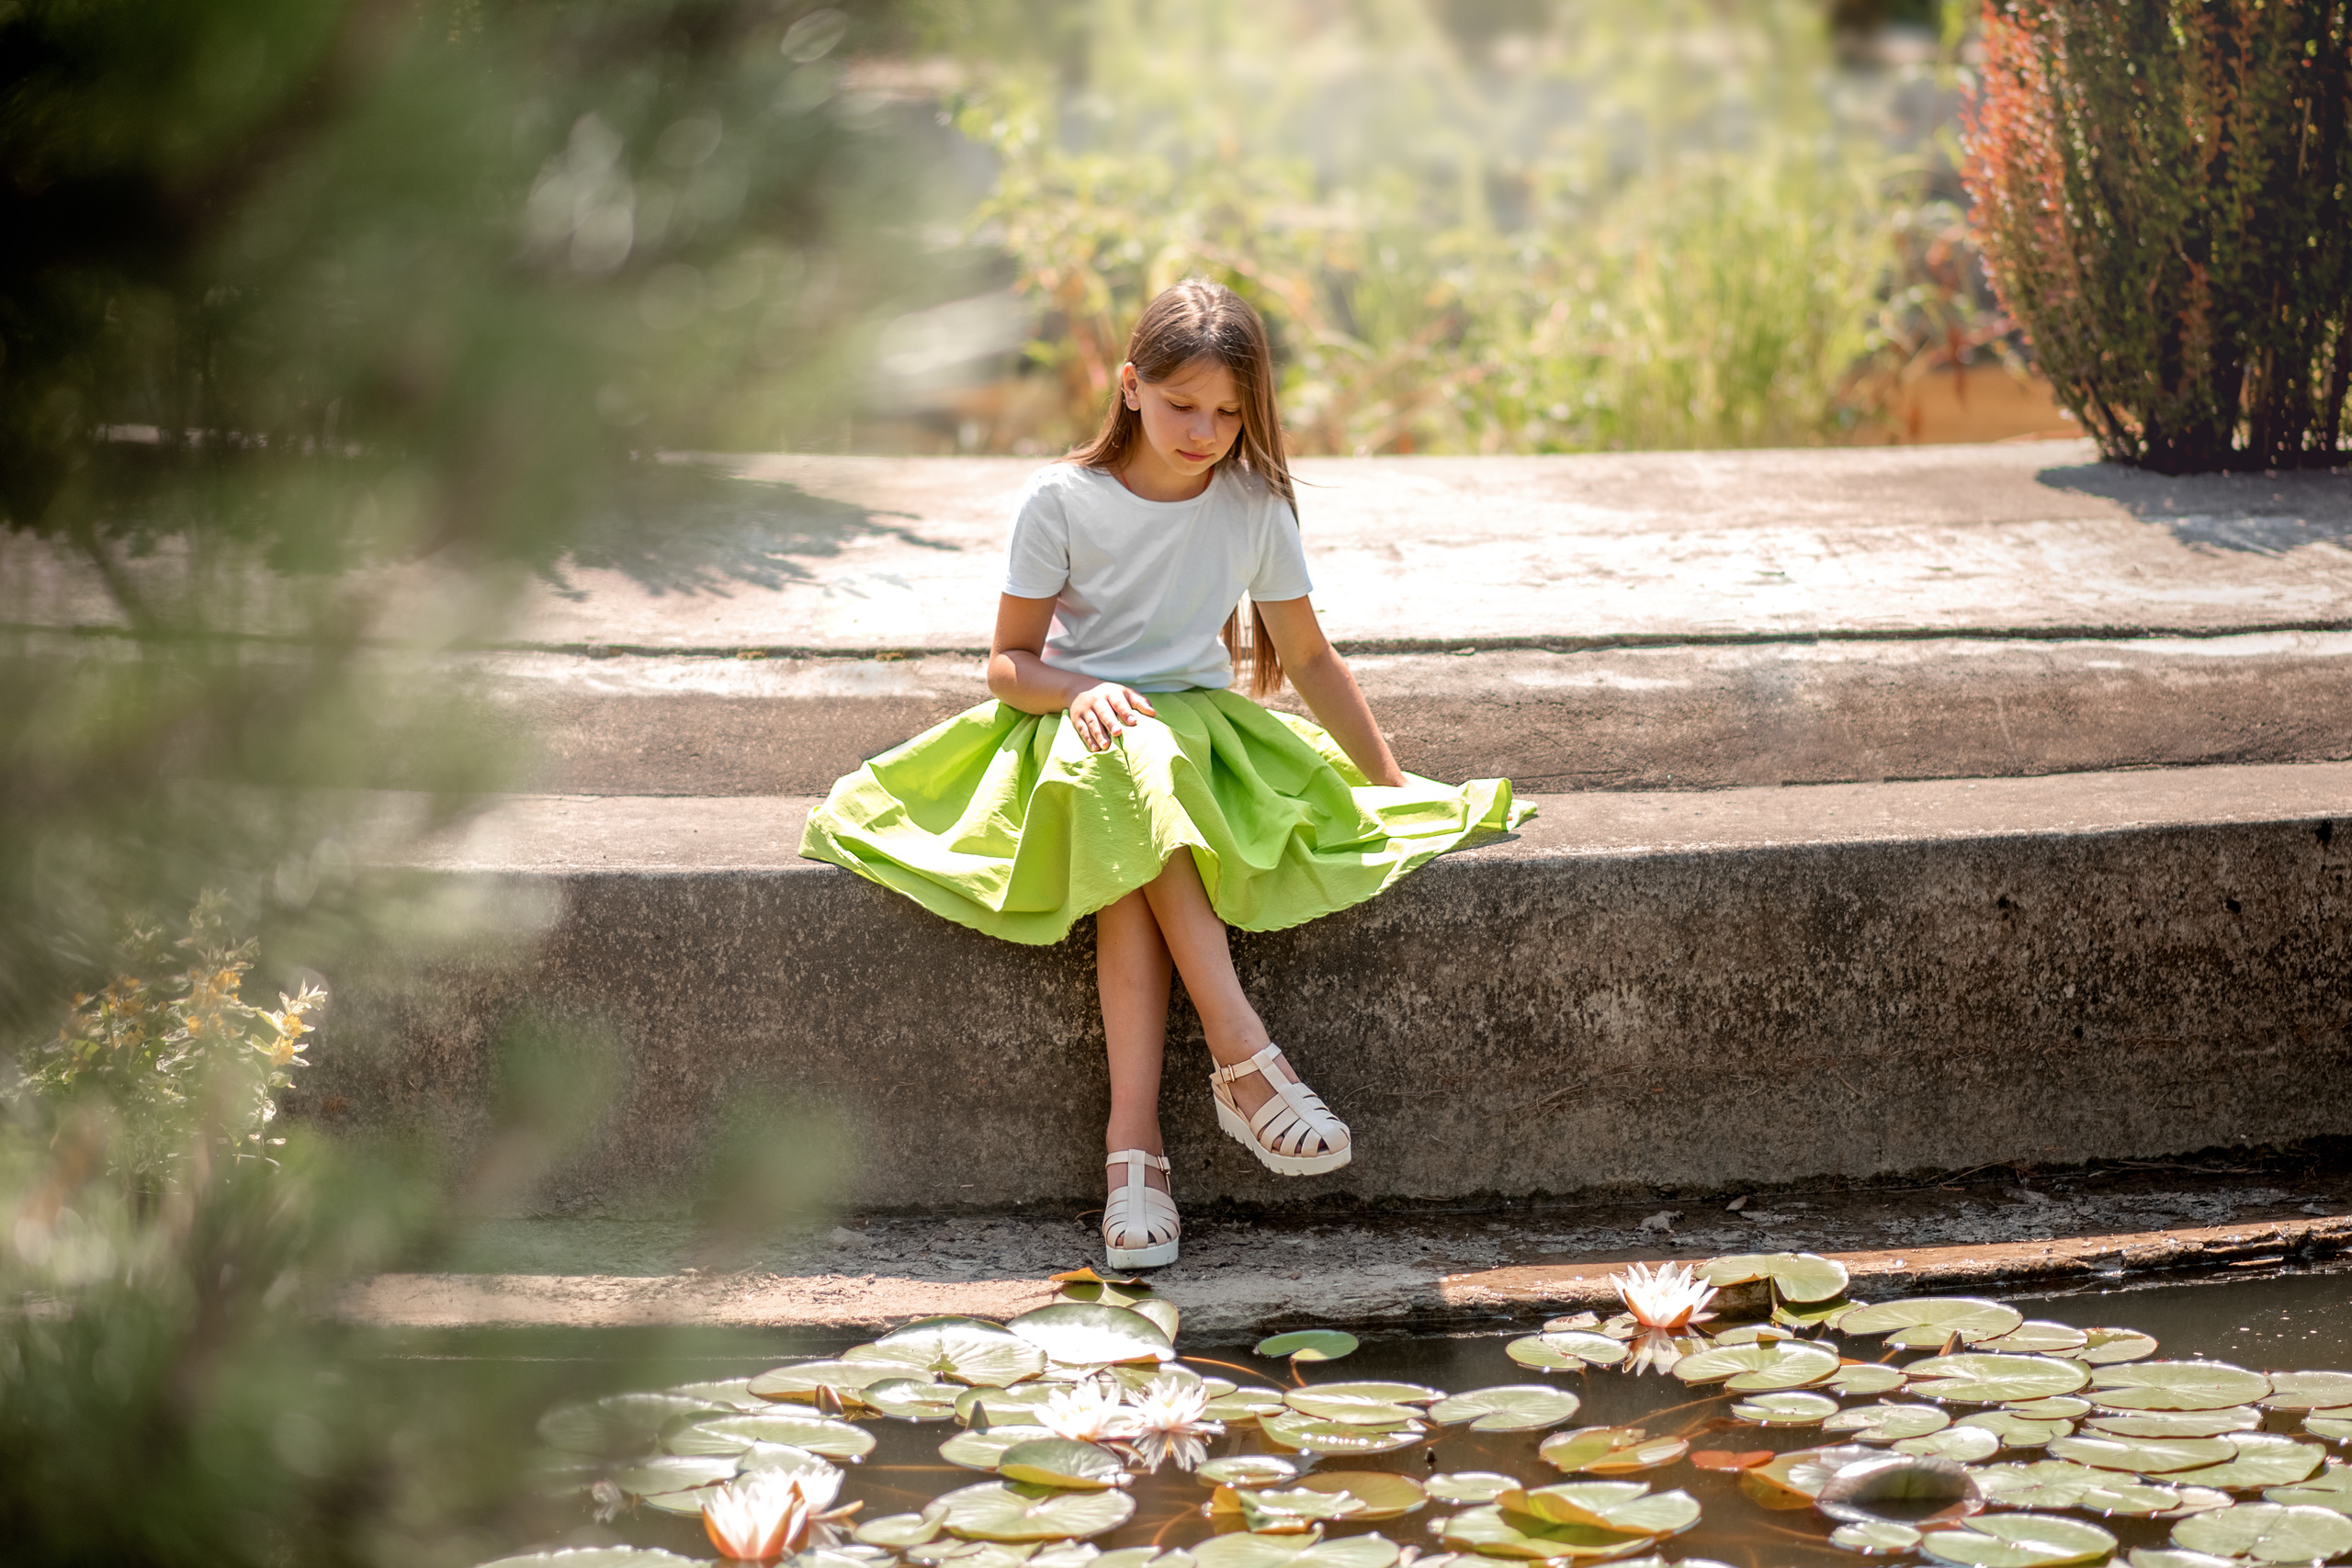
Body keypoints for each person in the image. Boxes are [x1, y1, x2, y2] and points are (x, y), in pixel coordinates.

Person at [800, 279, 1525, 1268]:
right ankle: (1242, 1062)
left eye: (1229, 412)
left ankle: (1135, 1153)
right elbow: (1007, 662)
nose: (1206, 430)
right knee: (1124, 762)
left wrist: (1389, 784)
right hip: (1074, 728)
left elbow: (1308, 659)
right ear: (1130, 387)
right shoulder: (1063, 500)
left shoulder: (1252, 503)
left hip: (1202, 746)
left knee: (1137, 817)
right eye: (1184, 404)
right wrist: (1082, 689)